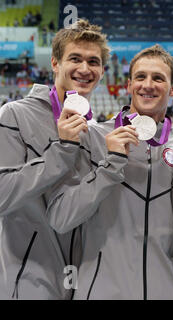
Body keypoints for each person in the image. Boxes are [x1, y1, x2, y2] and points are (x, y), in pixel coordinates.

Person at [46, 44, 173, 299]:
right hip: (101, 290)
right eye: (140, 77)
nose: (148, 85)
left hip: (166, 290)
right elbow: (61, 218)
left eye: (158, 78)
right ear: (128, 85)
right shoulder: (93, 136)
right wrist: (110, 165)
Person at [0, 19, 109, 299]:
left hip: (82, 281)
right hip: (27, 277)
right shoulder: (15, 115)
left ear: (102, 71)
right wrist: (61, 150)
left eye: (93, 62)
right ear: (55, 63)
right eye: (75, 58)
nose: (85, 69)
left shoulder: (94, 132)